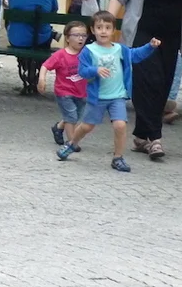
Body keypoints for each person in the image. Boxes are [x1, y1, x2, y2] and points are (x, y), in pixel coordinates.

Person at [107, 0, 182, 160]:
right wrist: (107, 24)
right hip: (143, 35)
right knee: (150, 82)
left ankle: (141, 136)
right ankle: (155, 139)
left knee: (162, 87)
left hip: (171, 37)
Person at [58, 11, 160, 172]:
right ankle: (71, 144)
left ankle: (118, 158)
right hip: (98, 97)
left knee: (120, 125)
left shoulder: (120, 49)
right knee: (86, 126)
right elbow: (82, 71)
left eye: (107, 27)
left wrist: (150, 46)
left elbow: (136, 55)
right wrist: (95, 70)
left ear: (113, 30)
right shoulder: (88, 50)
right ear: (93, 30)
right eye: (99, 27)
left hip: (117, 96)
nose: (103, 31)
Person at [38, 21, 88, 146]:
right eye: (76, 35)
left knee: (76, 115)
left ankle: (58, 127)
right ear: (67, 38)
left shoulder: (87, 54)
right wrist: (42, 79)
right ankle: (72, 143)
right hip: (64, 92)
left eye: (83, 35)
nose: (80, 38)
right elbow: (45, 66)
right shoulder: (60, 55)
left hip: (81, 92)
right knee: (71, 117)